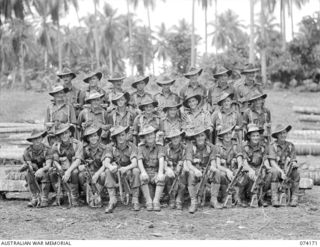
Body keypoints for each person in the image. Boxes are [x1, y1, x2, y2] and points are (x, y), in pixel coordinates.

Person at [101, 126, 141, 213]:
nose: (120, 137)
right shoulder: (110, 147)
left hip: (128, 171)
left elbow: (134, 163)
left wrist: (126, 168)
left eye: (122, 135)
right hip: (117, 171)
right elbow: (106, 161)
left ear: (126, 135)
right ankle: (112, 200)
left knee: (136, 171)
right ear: (115, 137)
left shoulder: (132, 146)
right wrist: (111, 167)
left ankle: (135, 199)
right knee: (107, 171)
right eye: (118, 136)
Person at [47, 123, 84, 206]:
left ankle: (74, 196)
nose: (64, 136)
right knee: (52, 172)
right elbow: (55, 160)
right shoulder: (56, 146)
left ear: (70, 133)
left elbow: (78, 160)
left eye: (66, 133)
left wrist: (68, 172)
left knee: (74, 172)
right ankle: (59, 195)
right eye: (62, 134)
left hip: (73, 167)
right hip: (62, 167)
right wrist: (60, 168)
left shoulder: (77, 144)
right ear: (59, 136)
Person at [184, 125, 218, 213]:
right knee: (191, 174)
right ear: (195, 137)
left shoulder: (211, 147)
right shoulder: (190, 146)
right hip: (195, 170)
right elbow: (188, 163)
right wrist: (195, 170)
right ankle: (193, 201)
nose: (200, 138)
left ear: (205, 136)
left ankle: (213, 199)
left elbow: (213, 161)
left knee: (217, 172)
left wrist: (213, 167)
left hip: (206, 170)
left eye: (202, 135)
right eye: (198, 136)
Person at [240, 123, 271, 208]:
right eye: (253, 136)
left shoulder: (263, 147)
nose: (256, 138)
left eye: (257, 135)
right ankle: (246, 198)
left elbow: (265, 160)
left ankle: (261, 197)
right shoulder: (245, 147)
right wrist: (250, 170)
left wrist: (268, 167)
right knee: (248, 176)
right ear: (249, 136)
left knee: (269, 175)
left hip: (259, 168)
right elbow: (244, 162)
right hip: (248, 168)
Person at [268, 124, 300, 207]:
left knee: (296, 173)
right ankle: (274, 198)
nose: (283, 135)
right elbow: (272, 162)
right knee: (274, 172)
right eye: (280, 133)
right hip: (277, 169)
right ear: (277, 135)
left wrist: (293, 165)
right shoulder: (272, 146)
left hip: (287, 168)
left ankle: (294, 197)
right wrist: (281, 172)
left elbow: (293, 160)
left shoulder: (290, 146)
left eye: (285, 133)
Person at [213, 124, 245, 208]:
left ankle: (237, 197)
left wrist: (238, 169)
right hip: (223, 170)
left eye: (229, 133)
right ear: (222, 136)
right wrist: (227, 170)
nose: (228, 136)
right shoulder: (217, 146)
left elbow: (239, 159)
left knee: (239, 174)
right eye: (225, 134)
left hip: (233, 169)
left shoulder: (235, 145)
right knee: (222, 175)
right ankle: (225, 196)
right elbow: (217, 165)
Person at [19, 129, 51, 207]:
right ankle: (35, 197)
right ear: (32, 140)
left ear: (42, 138)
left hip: (44, 170)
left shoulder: (47, 149)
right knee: (28, 173)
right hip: (34, 171)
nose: (37, 140)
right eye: (35, 138)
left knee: (47, 173)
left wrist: (41, 170)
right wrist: (32, 169)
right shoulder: (28, 151)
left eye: (39, 138)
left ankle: (44, 198)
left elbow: (48, 164)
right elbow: (29, 164)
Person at [137, 125, 166, 211]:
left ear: (155, 135)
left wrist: (160, 172)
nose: (150, 137)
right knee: (141, 177)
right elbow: (139, 160)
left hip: (156, 171)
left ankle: (156, 201)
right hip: (146, 171)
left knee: (162, 178)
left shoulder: (159, 146)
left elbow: (161, 159)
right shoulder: (141, 147)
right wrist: (143, 172)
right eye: (147, 135)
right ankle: (148, 201)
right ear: (144, 137)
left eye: (151, 134)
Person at [79, 125, 107, 207]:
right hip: (89, 172)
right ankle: (90, 195)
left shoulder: (104, 148)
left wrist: (97, 174)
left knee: (103, 175)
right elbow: (80, 161)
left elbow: (105, 164)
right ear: (87, 139)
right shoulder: (85, 149)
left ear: (98, 137)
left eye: (95, 136)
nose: (93, 138)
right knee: (80, 175)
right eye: (91, 136)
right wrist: (81, 166)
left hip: (100, 171)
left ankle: (97, 195)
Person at [164, 129, 187, 210]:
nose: (175, 139)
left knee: (183, 174)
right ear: (170, 139)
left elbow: (185, 159)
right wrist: (168, 169)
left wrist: (180, 165)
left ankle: (179, 198)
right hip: (171, 168)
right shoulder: (166, 148)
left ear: (180, 137)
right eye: (173, 137)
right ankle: (172, 198)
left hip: (181, 169)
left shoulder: (184, 147)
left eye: (177, 137)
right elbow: (164, 161)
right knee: (168, 176)